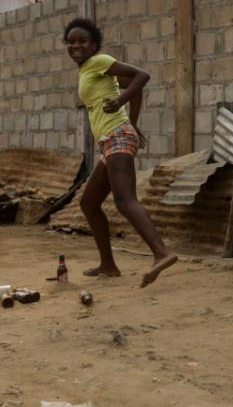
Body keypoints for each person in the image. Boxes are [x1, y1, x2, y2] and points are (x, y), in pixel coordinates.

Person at [65, 17, 176, 286]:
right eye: (71, 42)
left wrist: (120, 103)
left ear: (94, 45)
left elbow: (142, 76)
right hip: (111, 139)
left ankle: (161, 253)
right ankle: (108, 265)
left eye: (82, 41)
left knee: (125, 200)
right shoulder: (88, 70)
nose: (76, 46)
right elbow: (134, 87)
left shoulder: (99, 61)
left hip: (117, 136)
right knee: (89, 203)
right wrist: (133, 122)